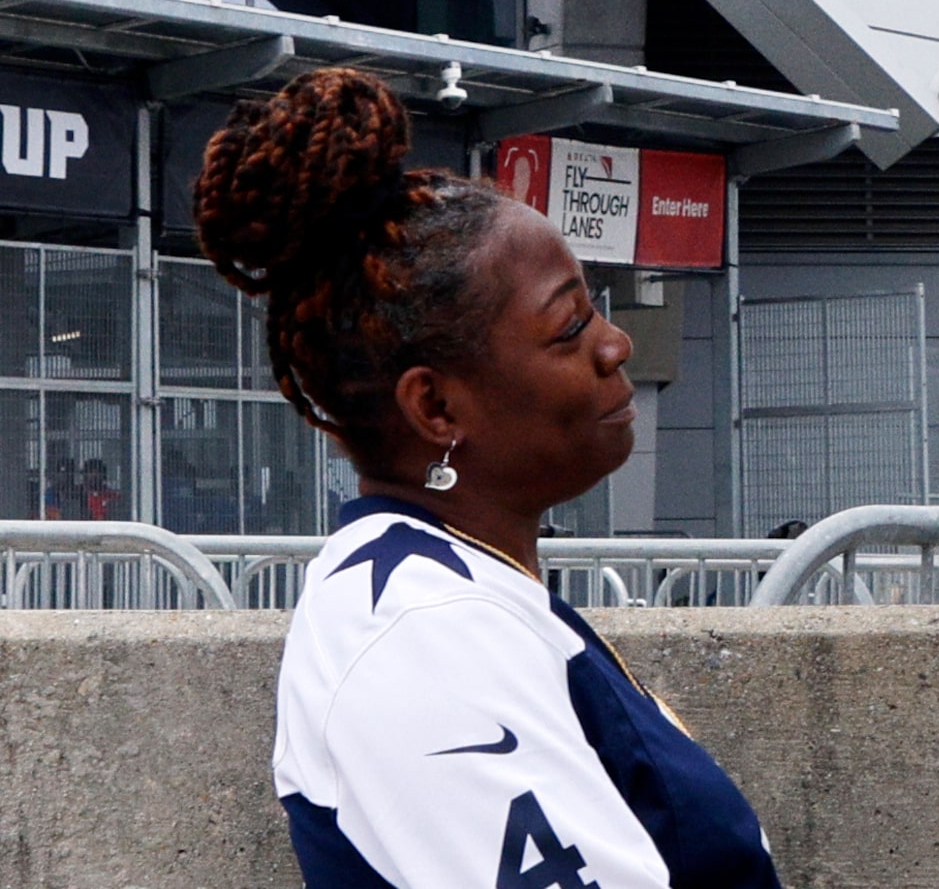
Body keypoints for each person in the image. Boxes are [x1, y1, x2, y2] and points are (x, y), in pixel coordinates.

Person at [198, 68, 781, 888]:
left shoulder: (461, 589)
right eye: (569, 324)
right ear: (436, 407)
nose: (614, 346)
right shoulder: (421, 641)